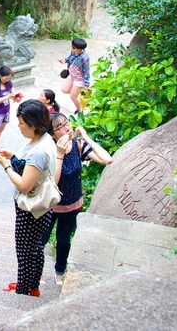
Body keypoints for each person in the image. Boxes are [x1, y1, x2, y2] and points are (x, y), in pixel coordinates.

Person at [0, 100, 57, 297]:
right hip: (42, 208)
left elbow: (24, 185)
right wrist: (13, 156)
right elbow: (31, 167)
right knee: (36, 248)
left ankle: (23, 292)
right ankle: (33, 286)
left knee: (25, 252)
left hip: (29, 210)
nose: (18, 126)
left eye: (21, 123)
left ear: (33, 124)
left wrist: (6, 165)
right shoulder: (44, 139)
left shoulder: (38, 152)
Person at [44, 112, 112, 285]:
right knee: (41, 239)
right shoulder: (51, 151)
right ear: (52, 135)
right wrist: (59, 153)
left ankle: (60, 272)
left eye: (67, 123)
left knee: (64, 241)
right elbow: (54, 181)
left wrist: (86, 137)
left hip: (72, 204)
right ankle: (36, 270)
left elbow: (107, 159)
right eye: (60, 127)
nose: (67, 128)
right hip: (51, 205)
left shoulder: (78, 146)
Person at [59, 38, 91, 114]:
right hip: (72, 75)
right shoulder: (73, 52)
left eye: (74, 48)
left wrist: (86, 84)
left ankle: (80, 111)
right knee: (65, 89)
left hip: (79, 79)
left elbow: (86, 72)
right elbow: (70, 59)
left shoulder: (84, 58)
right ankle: (77, 91)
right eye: (72, 46)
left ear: (80, 49)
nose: (72, 49)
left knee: (73, 97)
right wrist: (64, 60)